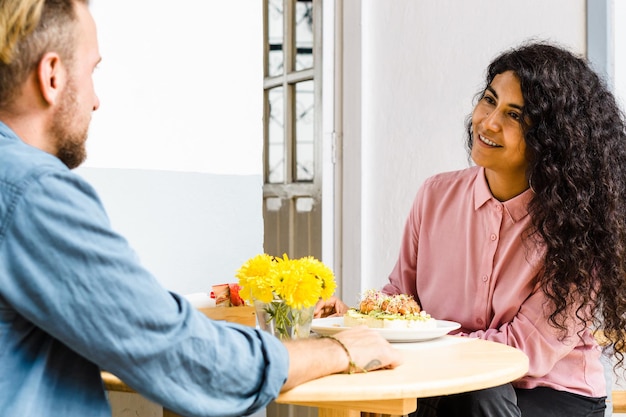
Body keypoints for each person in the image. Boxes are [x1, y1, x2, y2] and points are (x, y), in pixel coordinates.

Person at [0, 1, 402, 416]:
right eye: (92, 71)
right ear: (51, 76)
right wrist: (337, 350)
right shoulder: (33, 191)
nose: (96, 100)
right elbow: (184, 355)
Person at [316, 41, 626, 417]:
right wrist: (353, 320)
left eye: (515, 115)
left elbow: (524, 350)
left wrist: (411, 348)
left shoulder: (578, 226)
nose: (489, 122)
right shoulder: (435, 195)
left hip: (549, 391)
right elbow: (402, 299)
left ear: (552, 139)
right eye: (490, 100)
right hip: (445, 378)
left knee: (482, 394)